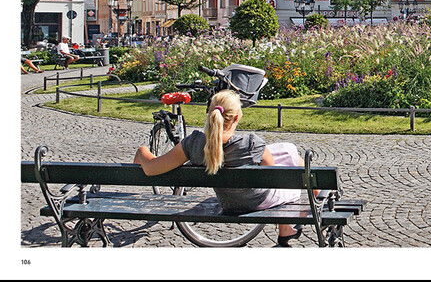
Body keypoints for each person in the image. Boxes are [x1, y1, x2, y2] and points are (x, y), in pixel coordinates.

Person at [133, 89, 311, 247]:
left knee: (288, 152)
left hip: (228, 202)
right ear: (236, 117)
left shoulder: (193, 144)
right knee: (293, 159)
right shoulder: (251, 143)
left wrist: (142, 151)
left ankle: (288, 227)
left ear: (210, 114)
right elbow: (272, 175)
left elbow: (151, 168)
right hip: (258, 200)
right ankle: (289, 225)